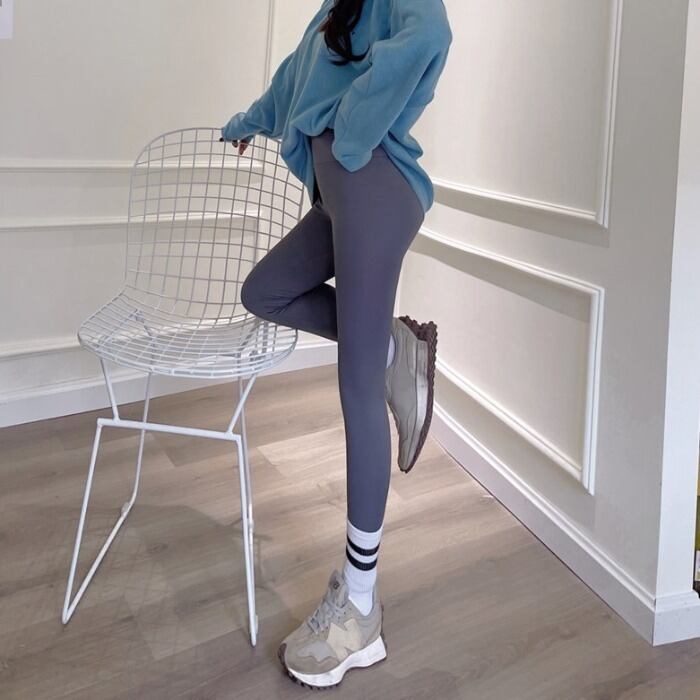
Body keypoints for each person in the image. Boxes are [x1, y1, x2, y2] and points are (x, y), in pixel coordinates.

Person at [221, 0, 452, 688]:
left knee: (356, 389)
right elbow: (295, 81)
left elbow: (431, 34)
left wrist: (351, 132)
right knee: (266, 291)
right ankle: (393, 350)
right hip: (341, 192)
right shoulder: (337, 7)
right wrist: (248, 123)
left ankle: (359, 606)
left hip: (372, 181)